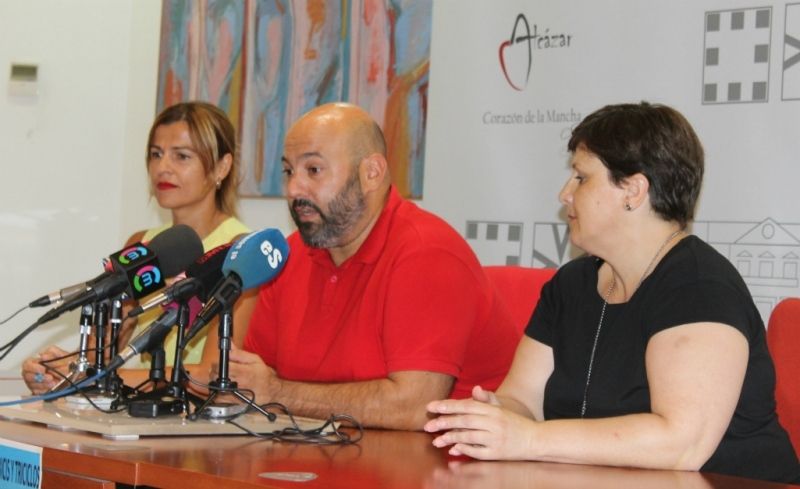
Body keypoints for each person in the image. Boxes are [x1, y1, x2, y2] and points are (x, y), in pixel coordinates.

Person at [424, 102, 800, 484]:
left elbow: (682, 444)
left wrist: (531, 439)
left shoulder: (701, 286)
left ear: (633, 191)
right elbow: (523, 400)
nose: (564, 194)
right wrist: (494, 414)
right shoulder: (570, 285)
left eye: (581, 177)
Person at [226, 102, 520, 430]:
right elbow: (254, 381)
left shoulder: (427, 251)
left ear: (372, 173)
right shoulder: (289, 255)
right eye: (288, 172)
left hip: (439, 457)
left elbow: (414, 408)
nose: (294, 188)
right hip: (320, 451)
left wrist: (278, 393)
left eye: (314, 170)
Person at [22, 101, 256, 394]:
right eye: (156, 154)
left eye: (181, 156)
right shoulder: (141, 243)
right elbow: (101, 353)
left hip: (195, 413)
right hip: (136, 404)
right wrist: (62, 370)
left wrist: (90, 378)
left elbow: (211, 376)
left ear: (222, 166)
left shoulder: (239, 250)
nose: (162, 168)